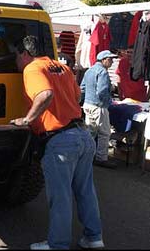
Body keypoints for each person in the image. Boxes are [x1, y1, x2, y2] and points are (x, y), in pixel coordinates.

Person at [10, 35, 103, 250]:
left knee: (60, 197)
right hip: (82, 135)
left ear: (25, 53)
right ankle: (94, 238)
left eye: (16, 55)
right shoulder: (62, 67)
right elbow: (77, 96)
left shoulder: (32, 69)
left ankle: (58, 244)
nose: (15, 61)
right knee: (85, 191)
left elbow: (45, 95)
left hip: (60, 140)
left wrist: (27, 119)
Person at [80, 50, 119, 169]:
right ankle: (101, 158)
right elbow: (102, 92)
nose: (112, 62)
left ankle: (85, 156)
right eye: (110, 59)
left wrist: (82, 102)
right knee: (104, 133)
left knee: (90, 132)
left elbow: (82, 88)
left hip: (88, 104)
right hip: (99, 106)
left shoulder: (89, 70)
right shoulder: (102, 72)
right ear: (104, 60)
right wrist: (109, 102)